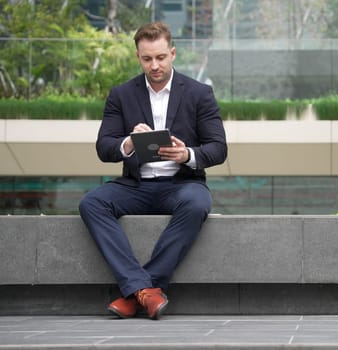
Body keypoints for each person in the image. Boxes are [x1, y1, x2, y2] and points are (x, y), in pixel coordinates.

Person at [79, 22, 227, 320]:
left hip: (181, 184)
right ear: (138, 57)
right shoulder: (121, 95)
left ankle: (137, 291)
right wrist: (129, 143)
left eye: (160, 57)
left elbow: (218, 149)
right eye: (147, 59)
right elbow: (103, 147)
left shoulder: (199, 94)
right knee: (91, 203)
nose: (155, 65)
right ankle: (147, 292)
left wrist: (187, 154)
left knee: (198, 203)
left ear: (172, 53)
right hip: (135, 185)